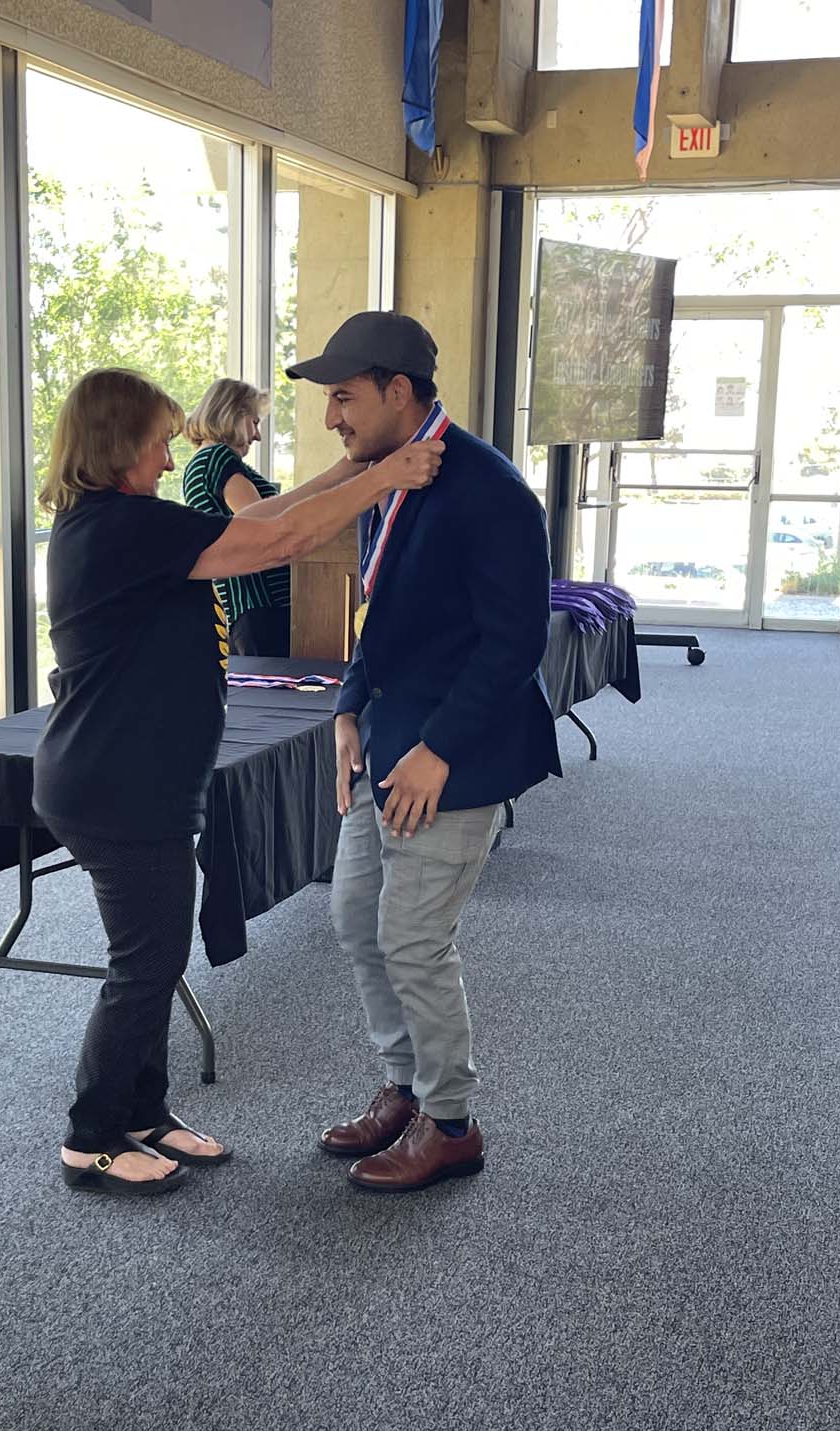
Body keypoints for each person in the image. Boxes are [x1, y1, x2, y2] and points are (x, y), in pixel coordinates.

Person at [32, 366, 444, 1196]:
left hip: (132, 777)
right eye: (156, 439)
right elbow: (280, 542)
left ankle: (144, 1112)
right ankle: (92, 1136)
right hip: (116, 786)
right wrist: (387, 478)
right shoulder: (116, 528)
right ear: (119, 445)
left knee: (154, 954)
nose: (166, 452)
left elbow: (266, 512)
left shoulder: (123, 521)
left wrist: (353, 472)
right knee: (145, 964)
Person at [284, 311, 562, 1194]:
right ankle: (404, 1089)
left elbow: (515, 642)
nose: (333, 418)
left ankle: (450, 1123)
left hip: (455, 755)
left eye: (343, 398)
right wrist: (349, 706)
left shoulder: (490, 490)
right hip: (384, 741)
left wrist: (439, 749)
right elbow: (382, 614)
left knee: (411, 938)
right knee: (356, 922)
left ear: (398, 392)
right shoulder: (391, 478)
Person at [182, 378, 289, 657]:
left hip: (243, 609)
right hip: (259, 606)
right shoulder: (217, 457)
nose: (257, 436)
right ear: (232, 416)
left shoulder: (200, 464)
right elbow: (261, 525)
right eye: (254, 422)